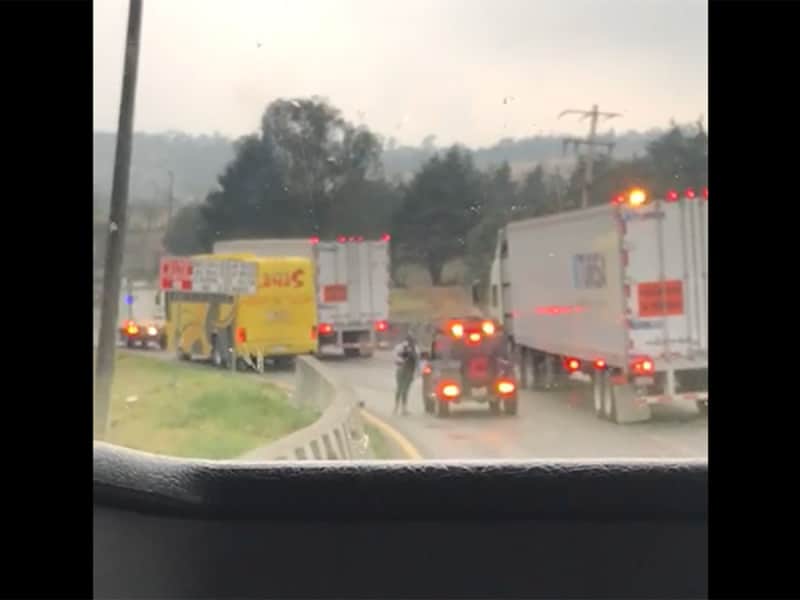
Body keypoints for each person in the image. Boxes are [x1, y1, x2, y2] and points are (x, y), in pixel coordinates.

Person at [393, 333, 418, 415]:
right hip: (407, 370)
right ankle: (402, 408)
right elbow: (417, 362)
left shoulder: (399, 347)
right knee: (404, 390)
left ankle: (398, 407)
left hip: (402, 369)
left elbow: (396, 358)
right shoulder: (414, 349)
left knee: (401, 389)